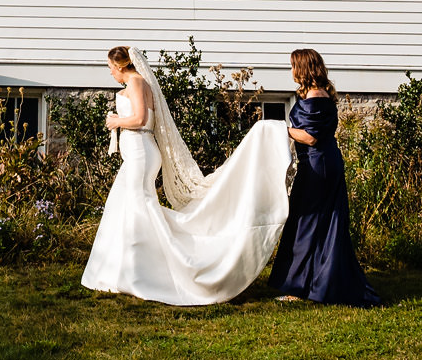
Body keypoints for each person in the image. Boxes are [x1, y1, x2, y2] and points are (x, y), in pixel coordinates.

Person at [80, 46, 293, 305]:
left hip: (140, 153)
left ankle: (148, 271)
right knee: (131, 208)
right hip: (139, 154)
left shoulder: (135, 83)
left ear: (121, 66)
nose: (111, 73)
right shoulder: (140, 82)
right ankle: (127, 268)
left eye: (111, 68)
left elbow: (139, 118)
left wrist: (116, 122)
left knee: (136, 208)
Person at [270, 48, 381, 305]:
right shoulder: (320, 96)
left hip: (318, 166)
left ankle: (298, 288)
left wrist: (279, 128)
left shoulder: (315, 98)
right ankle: (317, 283)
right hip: (323, 163)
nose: (291, 72)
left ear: (303, 68)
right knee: (321, 224)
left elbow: (310, 136)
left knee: (304, 223)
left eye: (292, 66)